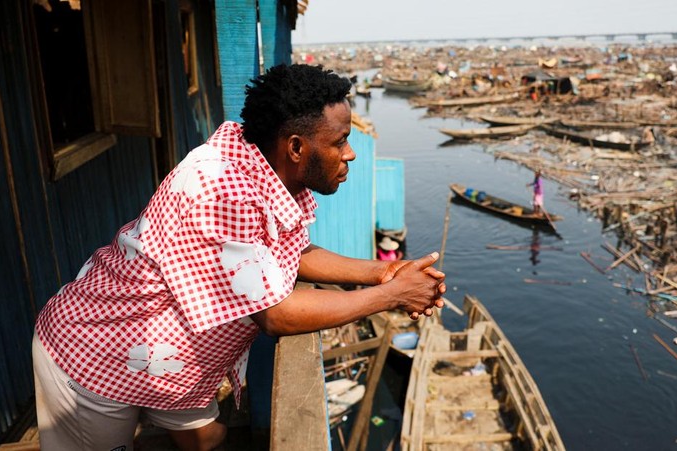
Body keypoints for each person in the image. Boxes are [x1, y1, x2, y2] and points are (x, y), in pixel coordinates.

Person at [32, 64, 446, 451]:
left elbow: (293, 252)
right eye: (340, 141)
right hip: (97, 350)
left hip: (170, 355)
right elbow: (276, 314)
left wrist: (384, 271)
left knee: (206, 441)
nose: (350, 153)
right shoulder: (219, 188)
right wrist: (393, 295)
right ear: (297, 147)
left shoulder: (269, 169)